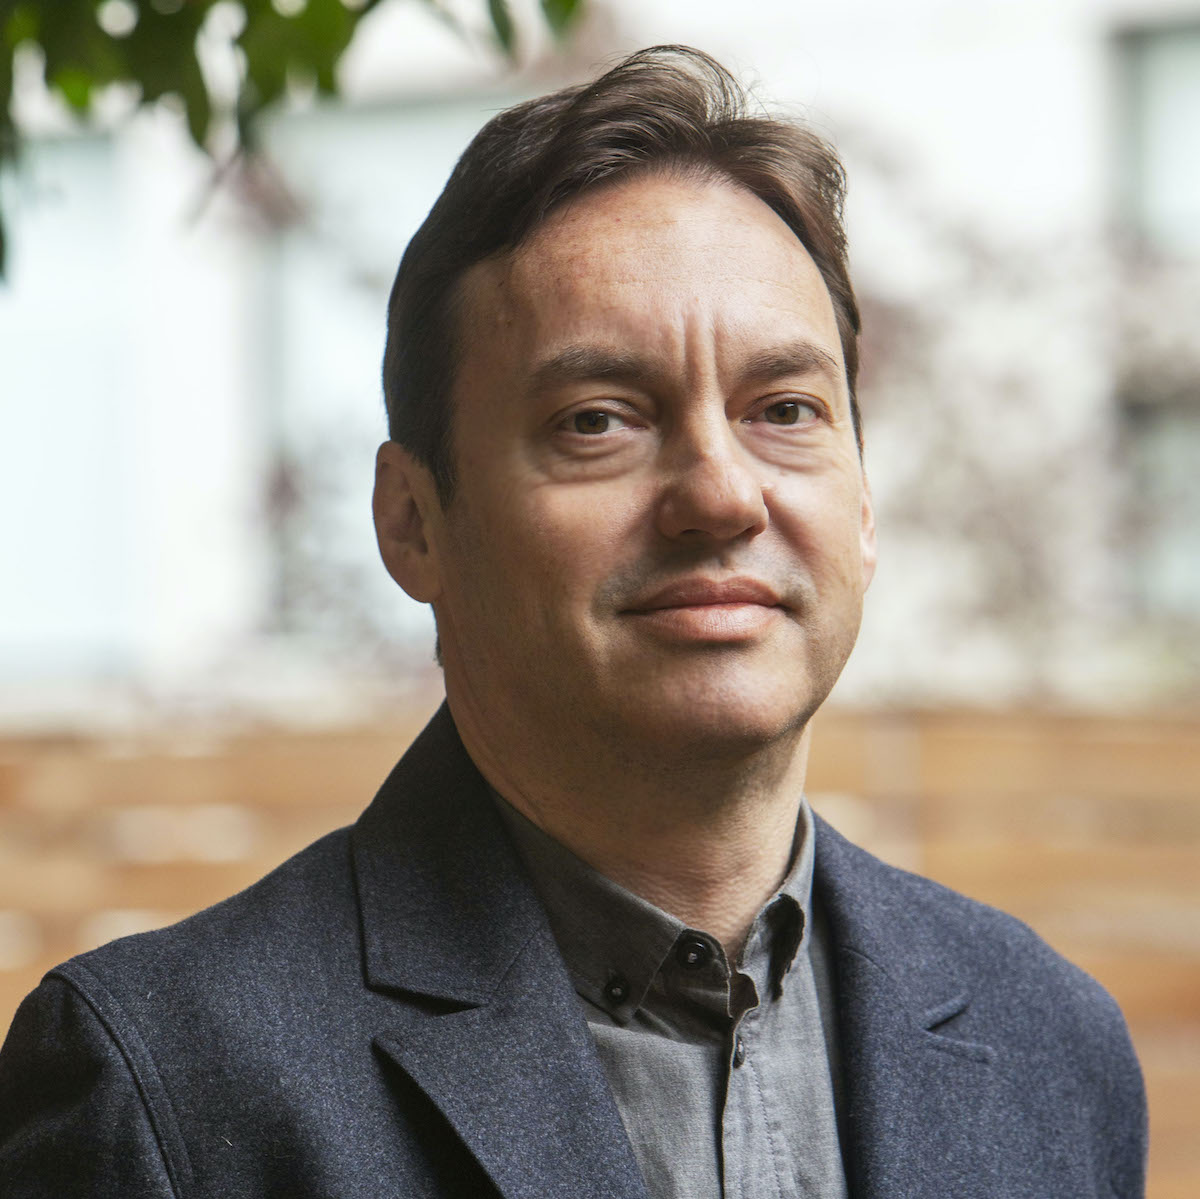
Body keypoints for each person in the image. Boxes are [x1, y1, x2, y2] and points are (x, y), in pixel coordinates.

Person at [0, 46, 1146, 1199]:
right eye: (598, 420)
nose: (722, 495)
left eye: (785, 409)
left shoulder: (1053, 1046)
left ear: (862, 504)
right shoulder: (163, 1089)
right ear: (412, 521)